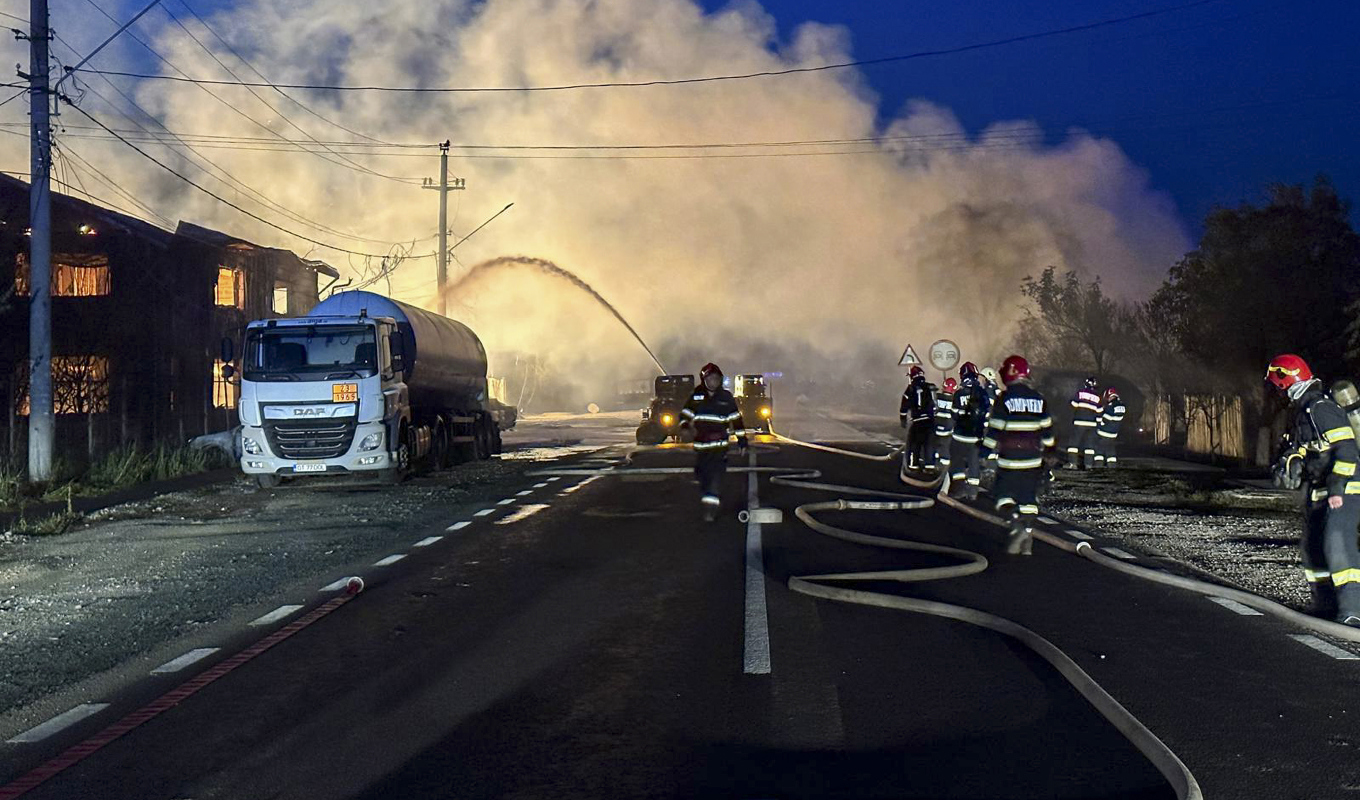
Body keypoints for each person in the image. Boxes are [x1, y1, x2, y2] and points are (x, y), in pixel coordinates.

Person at [1266, 354, 1360, 625]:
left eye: (1276, 385)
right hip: (1320, 490)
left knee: (1338, 545)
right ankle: (1324, 606)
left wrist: (1337, 487)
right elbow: (1306, 450)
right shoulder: (1305, 410)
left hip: (1346, 488)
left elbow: (1348, 450)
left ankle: (1352, 612)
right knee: (1312, 548)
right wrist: (1292, 461)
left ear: (1285, 381)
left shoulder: (1320, 407)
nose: (1276, 392)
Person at [980, 355, 1056, 555]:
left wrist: (984, 453)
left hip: (1010, 460)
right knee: (1028, 500)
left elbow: (995, 431)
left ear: (1009, 372)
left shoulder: (1004, 399)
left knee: (1002, 496)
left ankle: (1016, 523)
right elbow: (1047, 431)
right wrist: (1050, 453)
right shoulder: (1039, 399)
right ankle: (1027, 539)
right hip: (1033, 460)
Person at [680, 362, 748, 522]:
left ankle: (711, 509)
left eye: (717, 379)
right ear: (704, 380)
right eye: (710, 379)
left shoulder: (726, 398)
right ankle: (709, 496)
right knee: (703, 477)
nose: (714, 382)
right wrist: (684, 427)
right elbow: (685, 415)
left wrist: (742, 441)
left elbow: (736, 420)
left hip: (719, 447)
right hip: (701, 448)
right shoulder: (696, 397)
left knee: (716, 477)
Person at [949, 362, 991, 499]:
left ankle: (959, 489)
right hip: (976, 436)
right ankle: (973, 491)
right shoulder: (983, 394)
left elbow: (954, 414)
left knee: (957, 462)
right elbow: (987, 414)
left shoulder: (959, 394)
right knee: (974, 463)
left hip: (960, 436)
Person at [899, 365, 935, 470]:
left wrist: (903, 420)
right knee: (929, 443)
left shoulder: (910, 389)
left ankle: (913, 465)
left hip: (917, 421)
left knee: (914, 443)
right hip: (930, 420)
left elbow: (904, 407)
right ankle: (930, 466)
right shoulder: (930, 387)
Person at [1066, 376, 1103, 469]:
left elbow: (1073, 404)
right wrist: (1098, 426)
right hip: (1092, 425)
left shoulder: (1080, 393)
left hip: (1079, 422)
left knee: (1074, 444)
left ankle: (1073, 463)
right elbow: (1099, 412)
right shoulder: (1097, 397)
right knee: (1089, 446)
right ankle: (1088, 465)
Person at [1094, 387, 1126, 467]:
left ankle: (1098, 466)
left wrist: (1099, 423)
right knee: (1110, 450)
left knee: (1099, 449)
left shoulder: (1110, 406)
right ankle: (1112, 466)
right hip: (1114, 433)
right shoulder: (1121, 405)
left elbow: (1105, 419)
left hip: (1104, 432)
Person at [933, 377, 957, 471]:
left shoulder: (936, 397)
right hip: (948, 430)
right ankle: (945, 464)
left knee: (934, 445)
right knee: (945, 447)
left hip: (935, 428)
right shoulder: (955, 400)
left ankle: (933, 459)